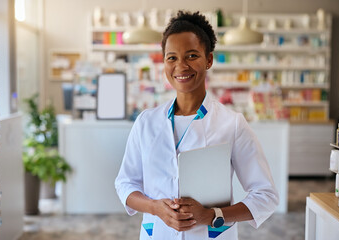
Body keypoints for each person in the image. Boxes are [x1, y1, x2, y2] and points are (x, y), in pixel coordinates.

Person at [115, 11, 279, 240]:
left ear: (209, 59)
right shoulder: (146, 122)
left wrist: (212, 215)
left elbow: (265, 195)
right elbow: (125, 183)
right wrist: (155, 208)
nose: (181, 66)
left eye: (192, 55)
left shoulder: (231, 124)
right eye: (171, 57)